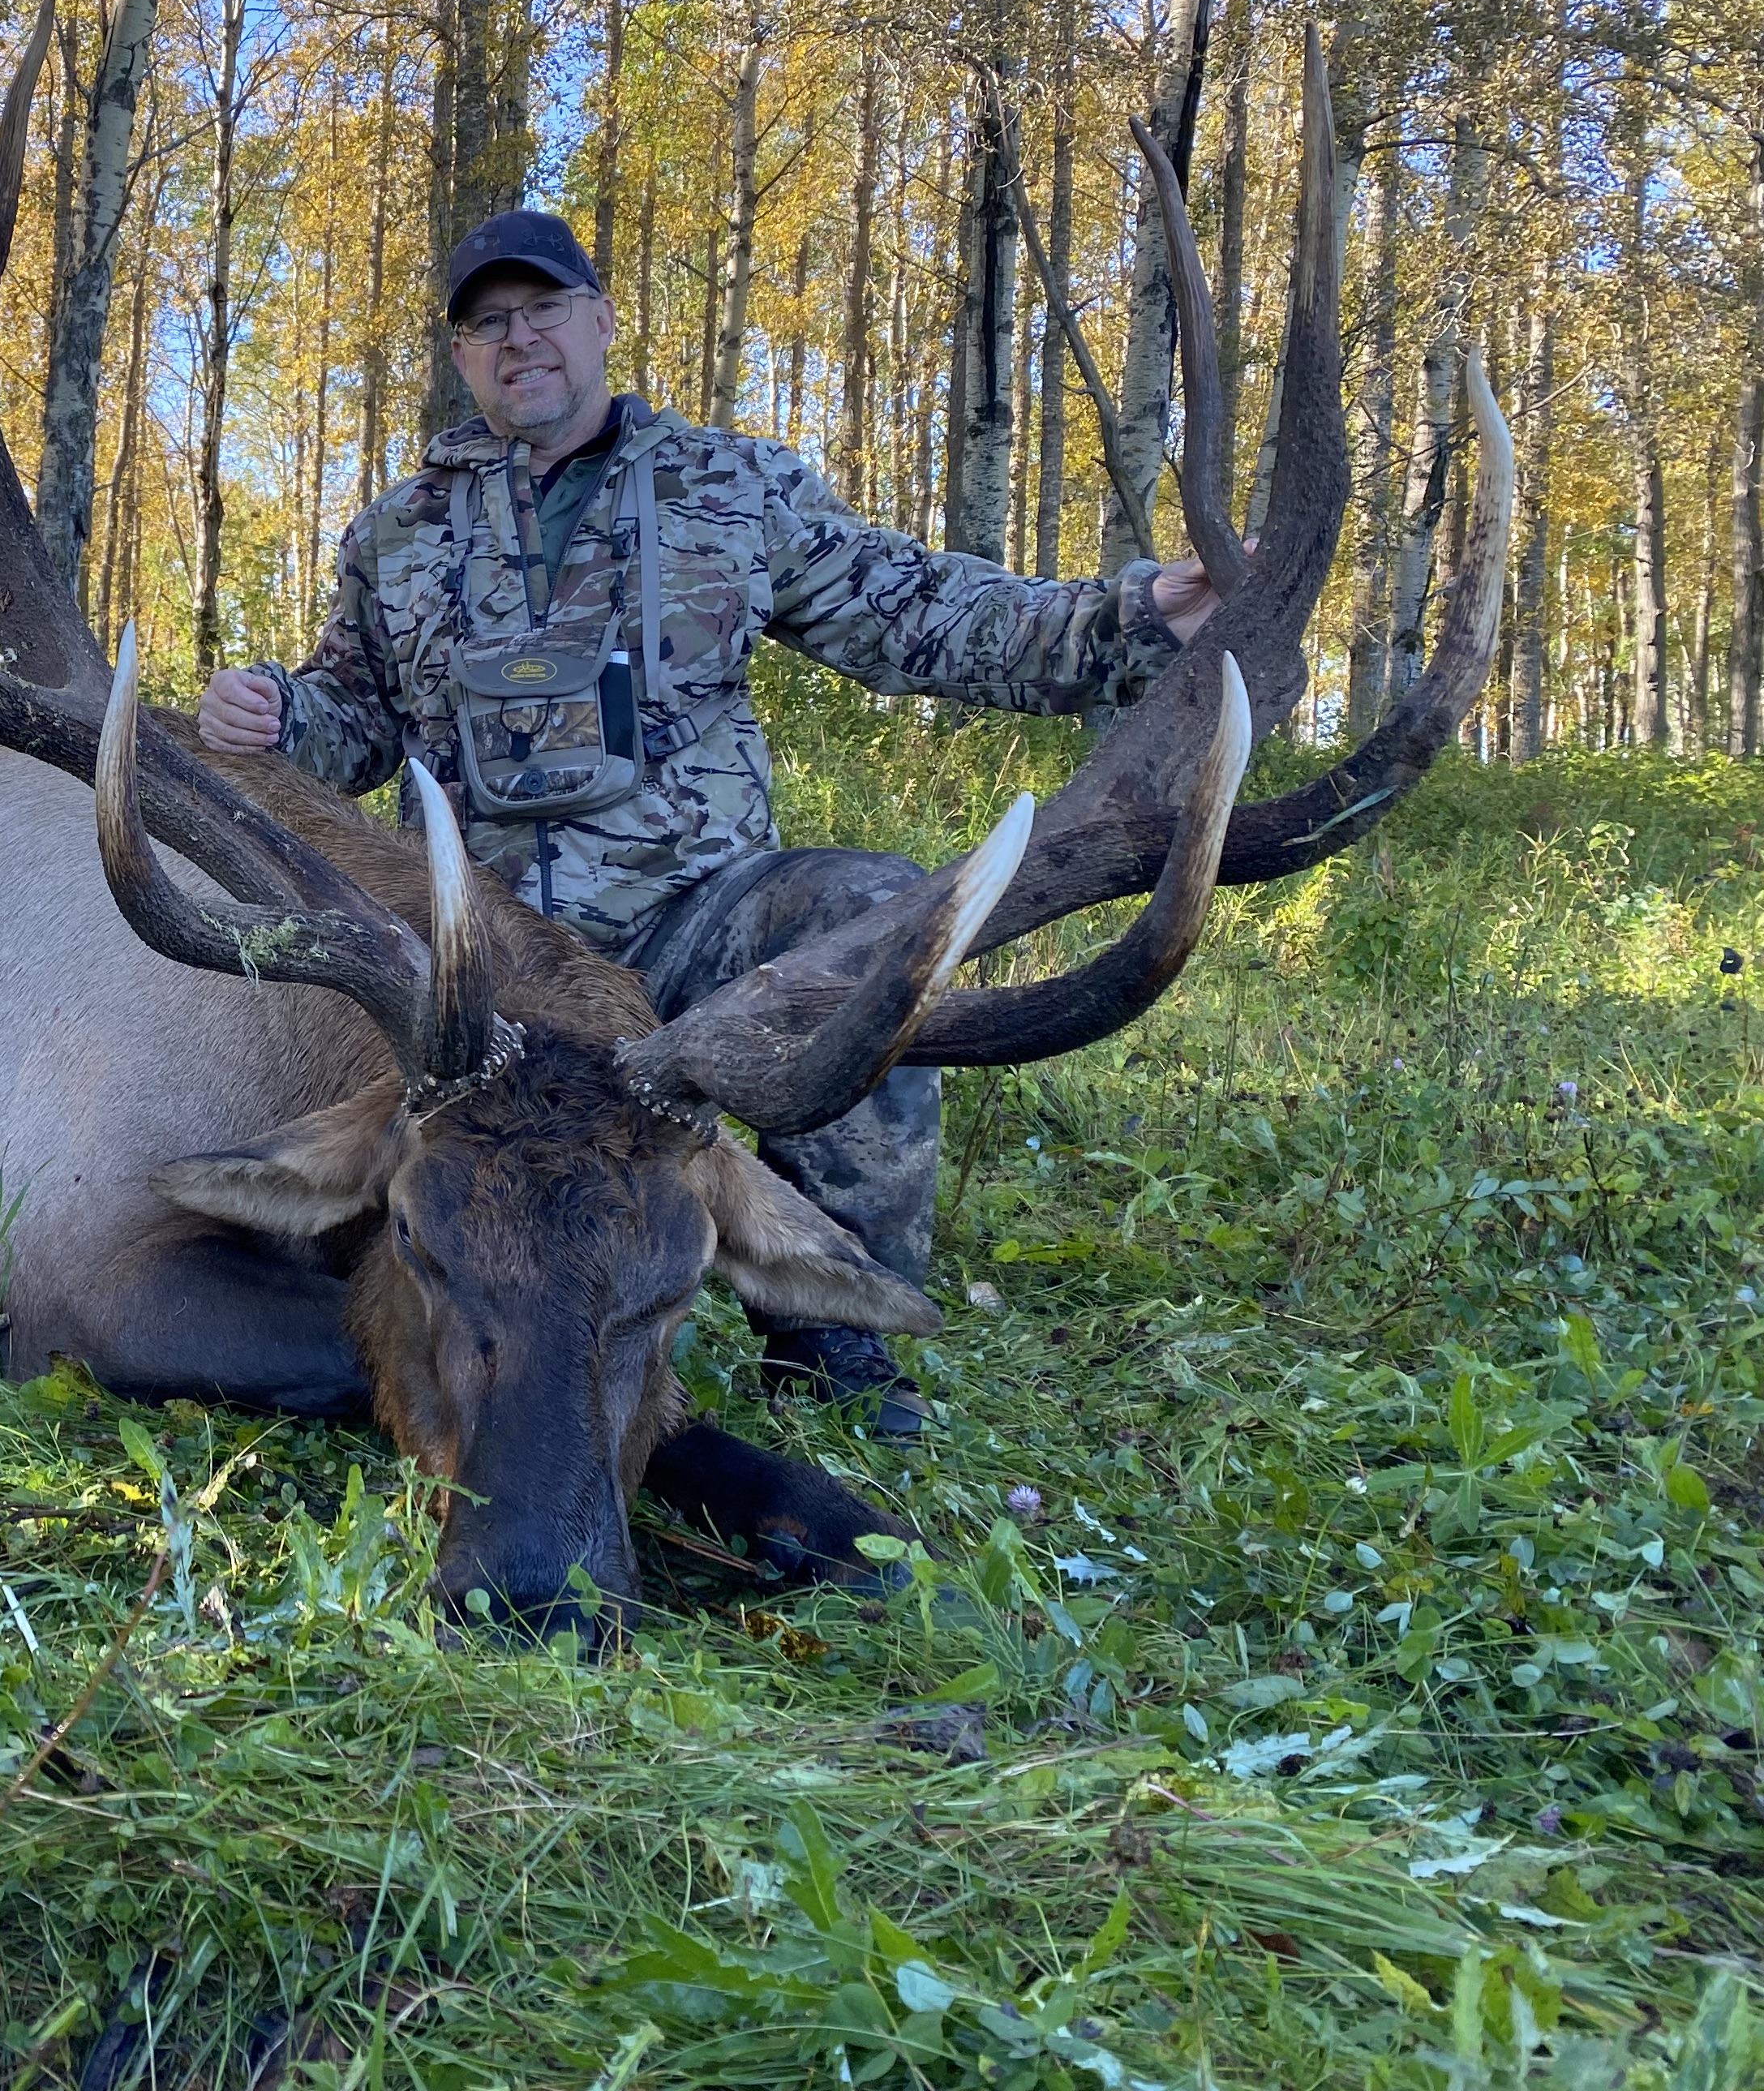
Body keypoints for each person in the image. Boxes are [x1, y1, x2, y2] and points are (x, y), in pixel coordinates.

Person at [200, 208, 1227, 1439]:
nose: (517, 340)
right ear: (463, 354)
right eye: (487, 324)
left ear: (599, 323)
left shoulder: (731, 488)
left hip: (692, 926)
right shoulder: (399, 533)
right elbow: (355, 724)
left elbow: (920, 614)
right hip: (491, 965)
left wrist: (1140, 616)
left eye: (541, 312)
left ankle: (839, 1336)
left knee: (866, 919)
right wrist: (273, 717)